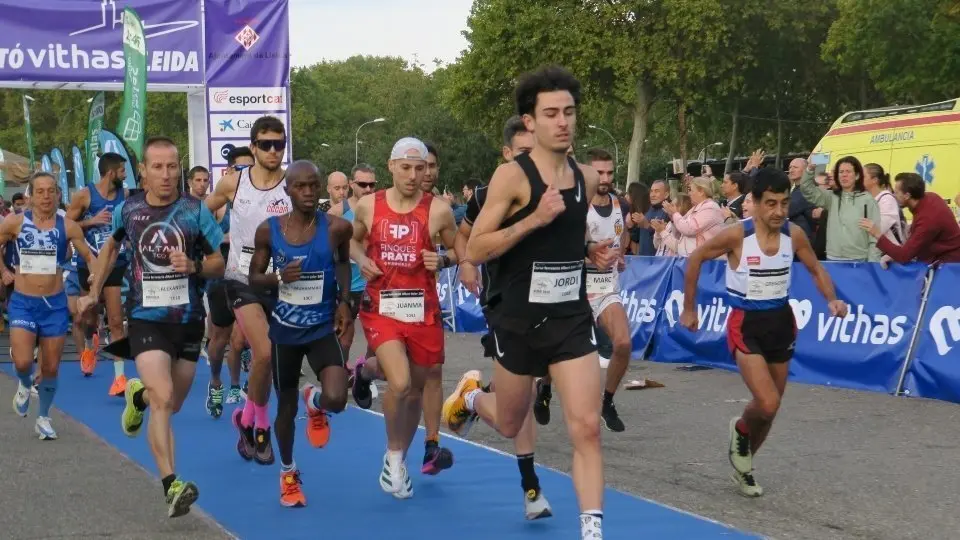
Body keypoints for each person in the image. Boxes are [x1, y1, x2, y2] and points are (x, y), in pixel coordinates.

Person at [444, 66, 616, 539]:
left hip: (569, 318)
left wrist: (588, 252)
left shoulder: (583, 176)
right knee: (509, 421)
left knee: (586, 427)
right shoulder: (511, 177)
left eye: (569, 112)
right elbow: (475, 248)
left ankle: (591, 531)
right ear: (531, 122)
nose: (563, 122)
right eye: (551, 114)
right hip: (517, 320)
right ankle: (473, 397)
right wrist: (532, 220)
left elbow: (565, 236)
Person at [679, 167, 848, 497]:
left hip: (781, 323)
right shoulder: (737, 236)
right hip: (747, 324)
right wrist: (689, 307)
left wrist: (832, 299)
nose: (779, 211)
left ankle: (746, 465)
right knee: (766, 402)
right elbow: (696, 258)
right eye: (771, 203)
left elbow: (815, 268)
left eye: (784, 203)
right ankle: (741, 428)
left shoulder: (794, 235)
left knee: (772, 408)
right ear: (754, 202)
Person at [79, 136, 225, 517]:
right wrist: (94, 291)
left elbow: (218, 263)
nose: (166, 174)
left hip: (189, 321)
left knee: (169, 403)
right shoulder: (128, 210)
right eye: (157, 167)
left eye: (172, 166)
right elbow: (110, 248)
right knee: (164, 396)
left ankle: (137, 396)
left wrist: (193, 267)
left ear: (180, 167)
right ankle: (170, 484)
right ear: (142, 171)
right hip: (146, 319)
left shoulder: (195, 211)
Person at [453, 114, 553, 520]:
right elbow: (464, 234)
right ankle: (472, 398)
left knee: (526, 395)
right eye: (525, 153)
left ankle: (482, 394)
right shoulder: (486, 195)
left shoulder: (556, 189)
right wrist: (466, 263)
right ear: (507, 154)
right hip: (507, 306)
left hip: (552, 307)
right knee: (522, 401)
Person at [349, 137, 459, 498]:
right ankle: (394, 461)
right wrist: (361, 259)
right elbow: (349, 241)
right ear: (391, 166)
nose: (414, 175)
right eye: (407, 167)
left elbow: (462, 250)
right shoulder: (369, 206)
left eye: (421, 168)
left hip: (422, 311)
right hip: (383, 308)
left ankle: (396, 457)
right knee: (399, 383)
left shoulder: (439, 210)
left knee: (414, 390)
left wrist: (443, 260)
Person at [248, 160, 352, 507]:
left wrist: (344, 301)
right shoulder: (269, 230)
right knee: (285, 408)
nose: (308, 192)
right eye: (301, 186)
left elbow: (341, 262)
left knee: (337, 397)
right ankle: (288, 473)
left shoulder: (337, 228)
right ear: (288, 190)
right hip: (286, 331)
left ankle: (316, 402)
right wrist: (279, 279)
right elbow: (254, 278)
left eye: (313, 185)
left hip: (321, 326)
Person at [206, 116, 291, 464]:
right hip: (241, 280)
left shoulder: (294, 183)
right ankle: (261, 426)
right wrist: (210, 248)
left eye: (279, 144)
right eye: (266, 144)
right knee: (265, 353)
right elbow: (197, 213)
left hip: (282, 283)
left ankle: (246, 417)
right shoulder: (233, 183)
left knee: (268, 362)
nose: (273, 151)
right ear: (253, 147)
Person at [3, 173, 94, 439]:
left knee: (51, 367)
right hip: (22, 302)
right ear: (30, 196)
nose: (46, 196)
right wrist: (4, 271)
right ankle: (23, 382)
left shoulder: (68, 226)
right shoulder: (15, 222)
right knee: (22, 361)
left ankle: (43, 417)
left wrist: (94, 282)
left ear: (57, 195)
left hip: (54, 304)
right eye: (40, 191)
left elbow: (90, 256)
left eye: (50, 191)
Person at [65, 152, 130, 394]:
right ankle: (90, 346)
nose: (125, 176)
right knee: (88, 319)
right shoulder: (85, 195)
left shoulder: (125, 195)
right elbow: (68, 226)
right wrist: (90, 222)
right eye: (122, 171)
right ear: (111, 173)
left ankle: (119, 378)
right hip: (89, 263)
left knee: (115, 320)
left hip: (115, 261)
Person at [328, 163, 377, 402]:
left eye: (372, 184)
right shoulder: (337, 212)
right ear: (352, 184)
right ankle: (338, 378)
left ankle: (361, 372)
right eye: (362, 184)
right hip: (347, 285)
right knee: (344, 337)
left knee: (378, 339)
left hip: (374, 284)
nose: (368, 189)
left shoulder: (381, 208)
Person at [859, 172, 960, 264]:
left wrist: (877, 233)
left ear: (907, 195)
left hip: (948, 267)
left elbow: (904, 256)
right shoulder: (930, 198)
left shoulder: (927, 219)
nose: (893, 195)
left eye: (897, 192)